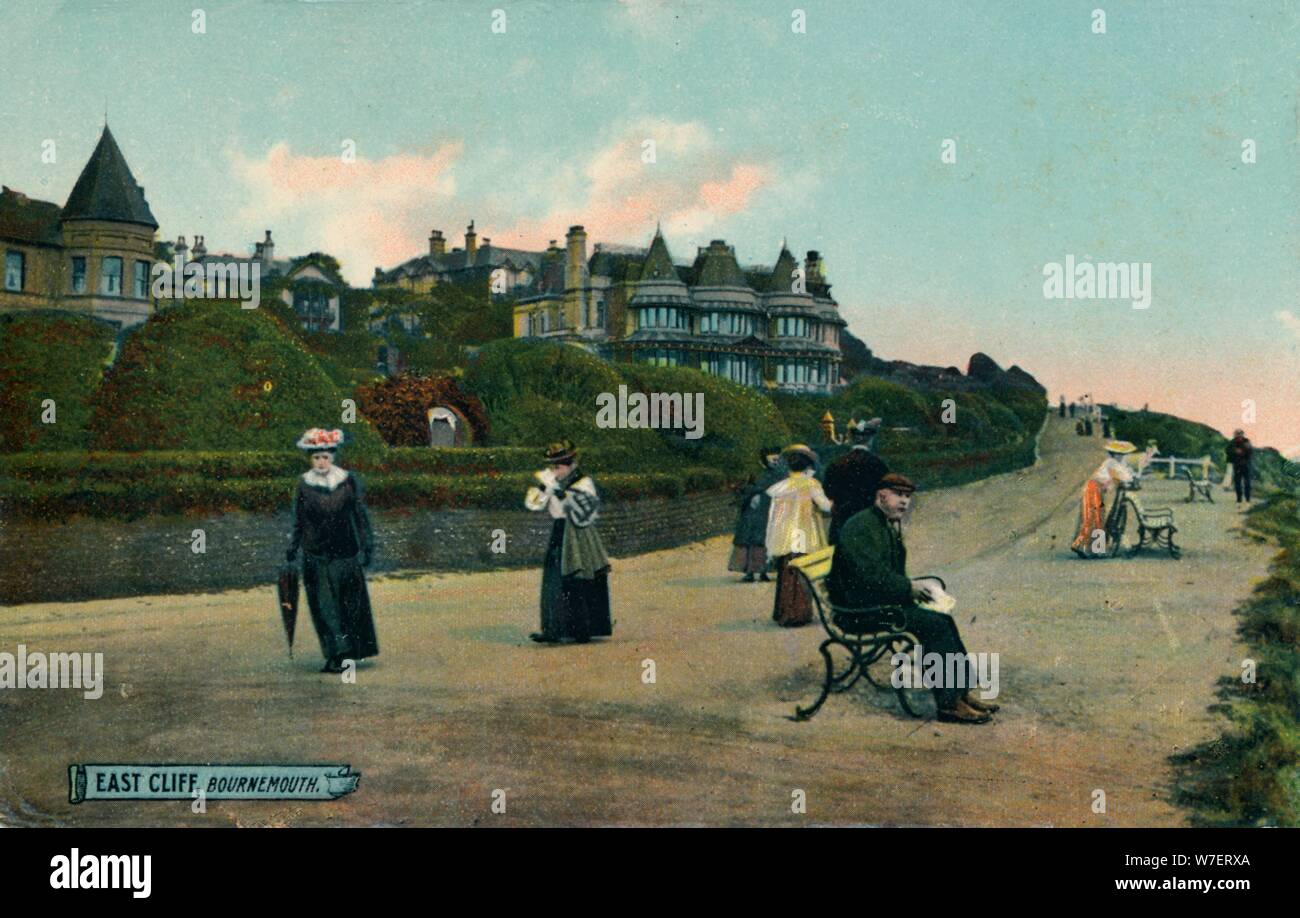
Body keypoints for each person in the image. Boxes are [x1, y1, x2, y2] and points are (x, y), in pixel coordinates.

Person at [826, 473, 998, 724]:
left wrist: (914, 589)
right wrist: (909, 588)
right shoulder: (861, 527)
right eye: (899, 495)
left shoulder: (883, 523)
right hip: (857, 611)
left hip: (876, 603)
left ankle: (959, 693)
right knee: (934, 624)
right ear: (881, 495)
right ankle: (949, 705)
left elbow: (883, 576)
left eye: (908, 497)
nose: (905, 502)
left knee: (941, 618)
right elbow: (868, 577)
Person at [286, 428, 378, 673]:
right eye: (316, 458)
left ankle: (351, 651)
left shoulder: (347, 481)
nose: (321, 462)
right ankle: (334, 655)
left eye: (325, 457)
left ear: (333, 457)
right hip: (316, 554)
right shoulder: (305, 485)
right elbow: (298, 519)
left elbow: (359, 515)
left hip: (345, 551)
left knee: (349, 604)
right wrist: (293, 547)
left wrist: (367, 544)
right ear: (310, 459)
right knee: (323, 606)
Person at [524, 440, 612, 644]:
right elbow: (533, 504)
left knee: (579, 578)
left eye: (558, 467)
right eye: (552, 467)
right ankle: (553, 629)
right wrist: (544, 487)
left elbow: (584, 511)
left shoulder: (583, 482)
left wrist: (556, 491)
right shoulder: (553, 482)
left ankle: (582, 629)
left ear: (570, 464)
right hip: (559, 531)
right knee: (554, 580)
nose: (555, 471)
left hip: (578, 534)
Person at [765, 444, 832, 627]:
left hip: (785, 533)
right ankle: (799, 612)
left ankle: (784, 611)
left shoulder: (782, 486)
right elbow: (826, 506)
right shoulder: (811, 484)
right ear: (808, 466)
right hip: (804, 532)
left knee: (788, 569)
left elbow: (774, 516)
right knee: (802, 570)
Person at [823, 414, 890, 544]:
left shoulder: (836, 463)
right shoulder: (878, 464)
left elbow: (827, 493)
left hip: (841, 522)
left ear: (852, 439)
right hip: (869, 522)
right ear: (870, 439)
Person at [1070, 440, 1136, 558]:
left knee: (1098, 519)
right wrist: (1128, 478)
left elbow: (1124, 475)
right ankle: (1085, 547)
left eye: (1122, 454)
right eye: (1117, 453)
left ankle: (1093, 548)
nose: (1120, 456)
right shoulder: (1111, 463)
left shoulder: (1116, 463)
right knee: (1094, 518)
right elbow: (1123, 477)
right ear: (1112, 453)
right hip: (1094, 489)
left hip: (1099, 490)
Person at [729, 446, 785, 582]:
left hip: (772, 510)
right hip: (755, 512)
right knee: (751, 540)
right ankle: (750, 571)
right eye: (771, 458)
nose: (774, 462)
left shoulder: (782, 473)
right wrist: (750, 492)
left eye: (777, 458)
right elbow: (748, 486)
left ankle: (764, 571)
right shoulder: (759, 473)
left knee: (767, 541)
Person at [1226, 429, 1254, 504]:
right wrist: (1234, 451)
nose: (1238, 436)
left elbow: (1250, 452)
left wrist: (1241, 452)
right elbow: (1227, 450)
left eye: (1239, 435)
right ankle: (1239, 499)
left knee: (1247, 483)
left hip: (1246, 466)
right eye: (1237, 435)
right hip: (1237, 465)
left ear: (1242, 435)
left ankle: (1247, 499)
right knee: (1237, 483)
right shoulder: (1232, 442)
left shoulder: (1247, 442)